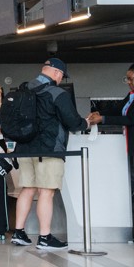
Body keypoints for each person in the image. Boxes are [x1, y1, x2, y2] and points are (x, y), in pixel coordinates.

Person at [11, 58, 87, 251]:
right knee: (46, 191)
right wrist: (87, 123)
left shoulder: (23, 90)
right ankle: (44, 237)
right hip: (49, 149)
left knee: (27, 189)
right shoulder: (57, 93)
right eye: (61, 76)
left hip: (25, 148)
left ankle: (19, 233)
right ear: (56, 73)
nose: (61, 79)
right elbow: (73, 121)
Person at [88, 61, 134, 245]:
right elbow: (119, 109)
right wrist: (99, 112)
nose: (129, 82)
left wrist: (103, 119)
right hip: (133, 147)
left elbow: (131, 118)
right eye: (127, 79)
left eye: (131, 79)